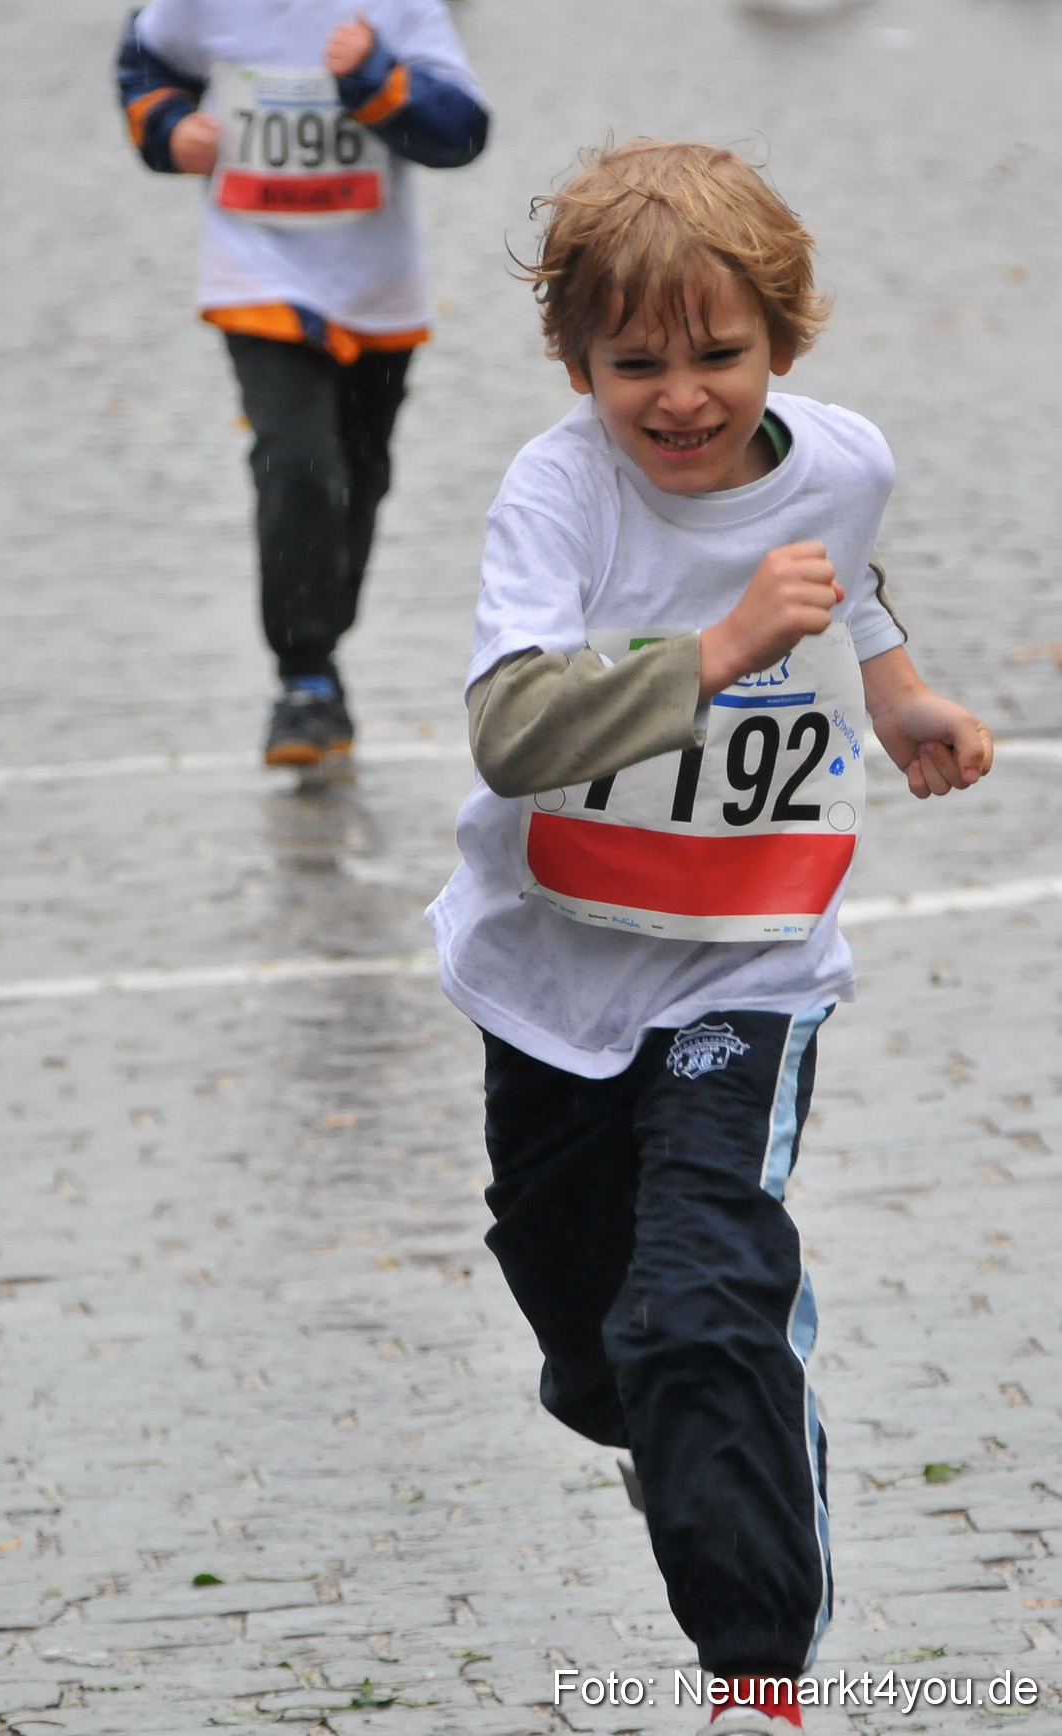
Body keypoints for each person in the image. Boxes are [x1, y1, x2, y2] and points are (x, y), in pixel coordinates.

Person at [426, 140, 993, 1734]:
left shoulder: (844, 455)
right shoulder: (557, 493)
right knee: (596, 1343)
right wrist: (720, 643)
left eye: (720, 357)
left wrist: (896, 696)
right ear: (576, 363)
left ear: (785, 345)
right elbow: (515, 730)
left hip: (751, 958)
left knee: (701, 1306)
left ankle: (758, 1674)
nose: (682, 397)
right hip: (551, 973)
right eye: (637, 365)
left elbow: (844, 568)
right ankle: (663, 1425)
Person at [116, 3, 489, 766]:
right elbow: (144, 58)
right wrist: (166, 126)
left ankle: (319, 640)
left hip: (377, 288)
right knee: (296, 463)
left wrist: (377, 80)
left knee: (358, 474)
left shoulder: (397, 9)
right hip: (256, 271)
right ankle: (304, 678)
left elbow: (463, 135)